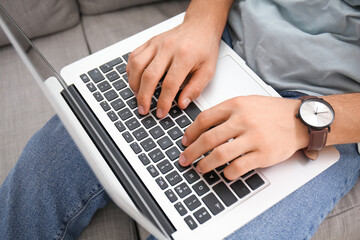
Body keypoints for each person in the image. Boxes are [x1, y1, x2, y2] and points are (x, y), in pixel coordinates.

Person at [1, 0, 359, 239]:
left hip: (327, 109)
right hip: (224, 42)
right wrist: (202, 19)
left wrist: (304, 122)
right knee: (45, 167)